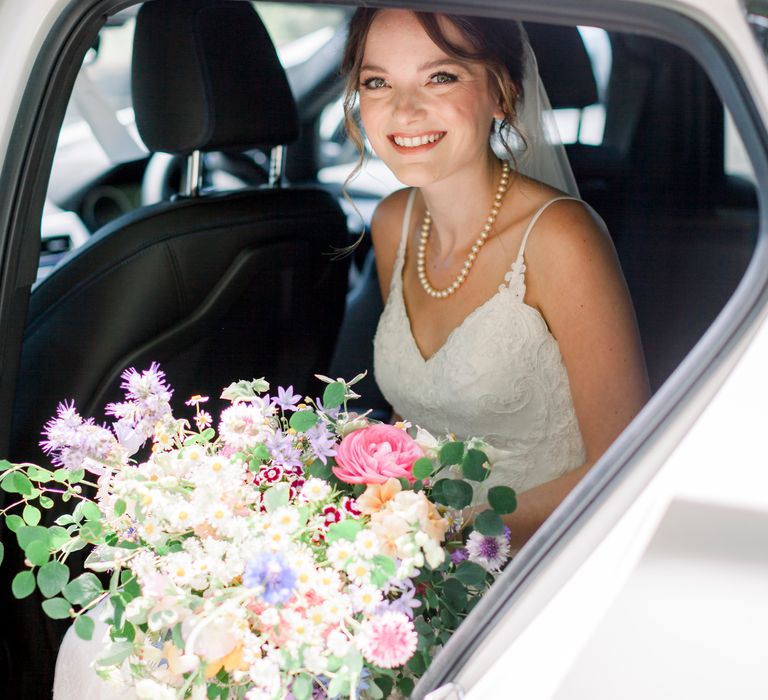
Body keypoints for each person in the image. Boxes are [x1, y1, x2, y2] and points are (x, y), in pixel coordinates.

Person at [341, 8, 650, 549]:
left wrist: (450, 537)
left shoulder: (561, 238)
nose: (404, 109)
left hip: (544, 563)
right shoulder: (395, 222)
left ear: (502, 94)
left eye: (440, 76)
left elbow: (627, 465)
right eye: (377, 81)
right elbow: (415, 415)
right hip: (416, 564)